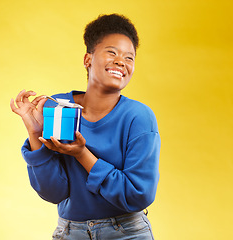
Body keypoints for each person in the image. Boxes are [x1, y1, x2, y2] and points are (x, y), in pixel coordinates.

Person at [10, 13, 161, 240]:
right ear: (88, 59)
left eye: (129, 58)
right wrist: (35, 132)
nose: (121, 61)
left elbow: (138, 195)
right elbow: (54, 193)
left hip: (127, 233)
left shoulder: (138, 117)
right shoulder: (60, 108)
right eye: (112, 52)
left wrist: (82, 154)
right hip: (70, 232)